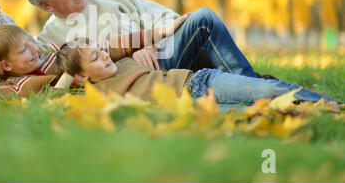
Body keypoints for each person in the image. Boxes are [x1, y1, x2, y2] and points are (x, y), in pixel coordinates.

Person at [21, 0, 275, 80]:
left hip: (164, 54)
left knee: (202, 18)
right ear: (46, 4)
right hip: (141, 77)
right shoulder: (50, 40)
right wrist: (130, 54)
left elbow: (170, 18)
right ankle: (255, 85)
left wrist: (149, 43)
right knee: (208, 34)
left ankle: (251, 85)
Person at [52, 38, 343, 112]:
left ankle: (336, 106)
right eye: (95, 57)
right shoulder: (93, 93)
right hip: (196, 109)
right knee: (263, 111)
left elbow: (132, 40)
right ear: (80, 77)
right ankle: (322, 113)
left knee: (270, 92)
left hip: (200, 83)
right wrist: (70, 74)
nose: (104, 55)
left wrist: (149, 45)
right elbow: (54, 95)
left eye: (101, 50)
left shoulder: (123, 61)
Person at [0, 15, 188, 97]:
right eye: (24, 50)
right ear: (5, 65)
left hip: (127, 80)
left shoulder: (53, 56)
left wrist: (159, 33)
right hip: (108, 98)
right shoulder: (13, 87)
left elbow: (108, 47)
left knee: (199, 22)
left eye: (30, 43)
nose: (34, 50)